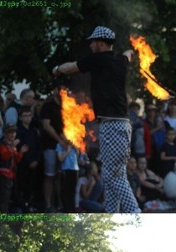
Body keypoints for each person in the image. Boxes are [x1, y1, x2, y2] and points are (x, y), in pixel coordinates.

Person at [52, 26, 140, 212]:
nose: (90, 45)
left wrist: (57, 69)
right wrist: (132, 50)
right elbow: (128, 53)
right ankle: (111, 217)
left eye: (93, 41)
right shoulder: (120, 60)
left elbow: (70, 68)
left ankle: (135, 215)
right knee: (113, 174)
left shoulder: (98, 59)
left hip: (112, 125)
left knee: (113, 175)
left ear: (100, 43)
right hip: (120, 125)